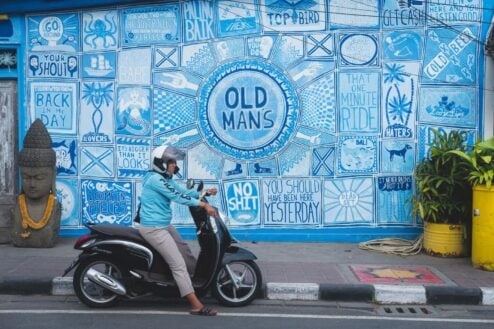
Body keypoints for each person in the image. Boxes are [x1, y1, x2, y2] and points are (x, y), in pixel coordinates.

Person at [138, 145, 218, 316]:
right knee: (178, 264)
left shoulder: (165, 178)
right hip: (153, 228)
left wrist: (204, 193)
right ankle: (196, 305)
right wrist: (202, 204)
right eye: (171, 162)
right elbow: (176, 196)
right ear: (161, 163)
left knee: (185, 252)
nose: (175, 165)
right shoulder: (155, 180)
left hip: (164, 225)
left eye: (174, 162)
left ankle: (192, 285)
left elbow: (183, 191)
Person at [10, 119, 61, 247]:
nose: (32, 184)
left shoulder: (55, 207)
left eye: (39, 178)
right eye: (26, 177)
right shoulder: (17, 207)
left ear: (52, 176)